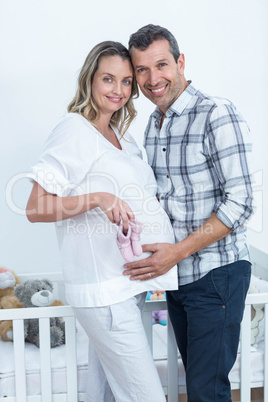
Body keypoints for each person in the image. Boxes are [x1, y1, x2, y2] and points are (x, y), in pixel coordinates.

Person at [25, 41, 178, 402]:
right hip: (103, 292)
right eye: (108, 79)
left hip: (127, 286)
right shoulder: (74, 129)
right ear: (89, 80)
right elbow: (36, 208)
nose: (118, 90)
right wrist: (99, 198)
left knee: (105, 393)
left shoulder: (123, 139)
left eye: (127, 82)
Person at [124, 25, 255, 401]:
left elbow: (241, 203)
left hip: (216, 275)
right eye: (142, 71)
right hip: (180, 278)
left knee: (205, 391)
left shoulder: (216, 113)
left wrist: (176, 253)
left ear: (180, 62)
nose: (153, 79)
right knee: (195, 388)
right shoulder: (153, 123)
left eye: (161, 65)